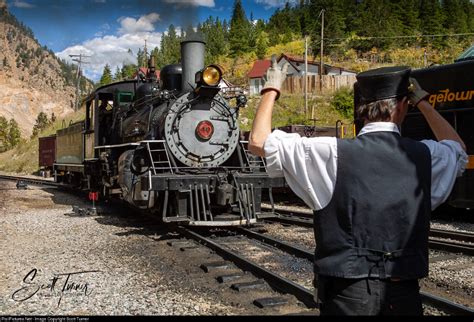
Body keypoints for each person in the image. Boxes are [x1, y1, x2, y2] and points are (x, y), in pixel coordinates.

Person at [248, 60, 468, 316]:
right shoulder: (426, 155)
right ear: (401, 107)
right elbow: (458, 149)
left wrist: (271, 88)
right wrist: (423, 102)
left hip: (347, 296)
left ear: (362, 109)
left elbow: (258, 141)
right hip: (404, 293)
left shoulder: (329, 152)